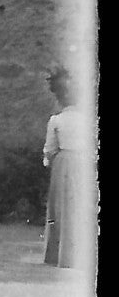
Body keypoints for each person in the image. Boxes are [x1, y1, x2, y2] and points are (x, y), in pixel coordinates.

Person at [42, 69, 91, 269]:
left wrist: (48, 162)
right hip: (84, 162)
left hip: (63, 163)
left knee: (61, 209)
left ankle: (60, 255)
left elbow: (50, 149)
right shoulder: (88, 120)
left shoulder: (57, 120)